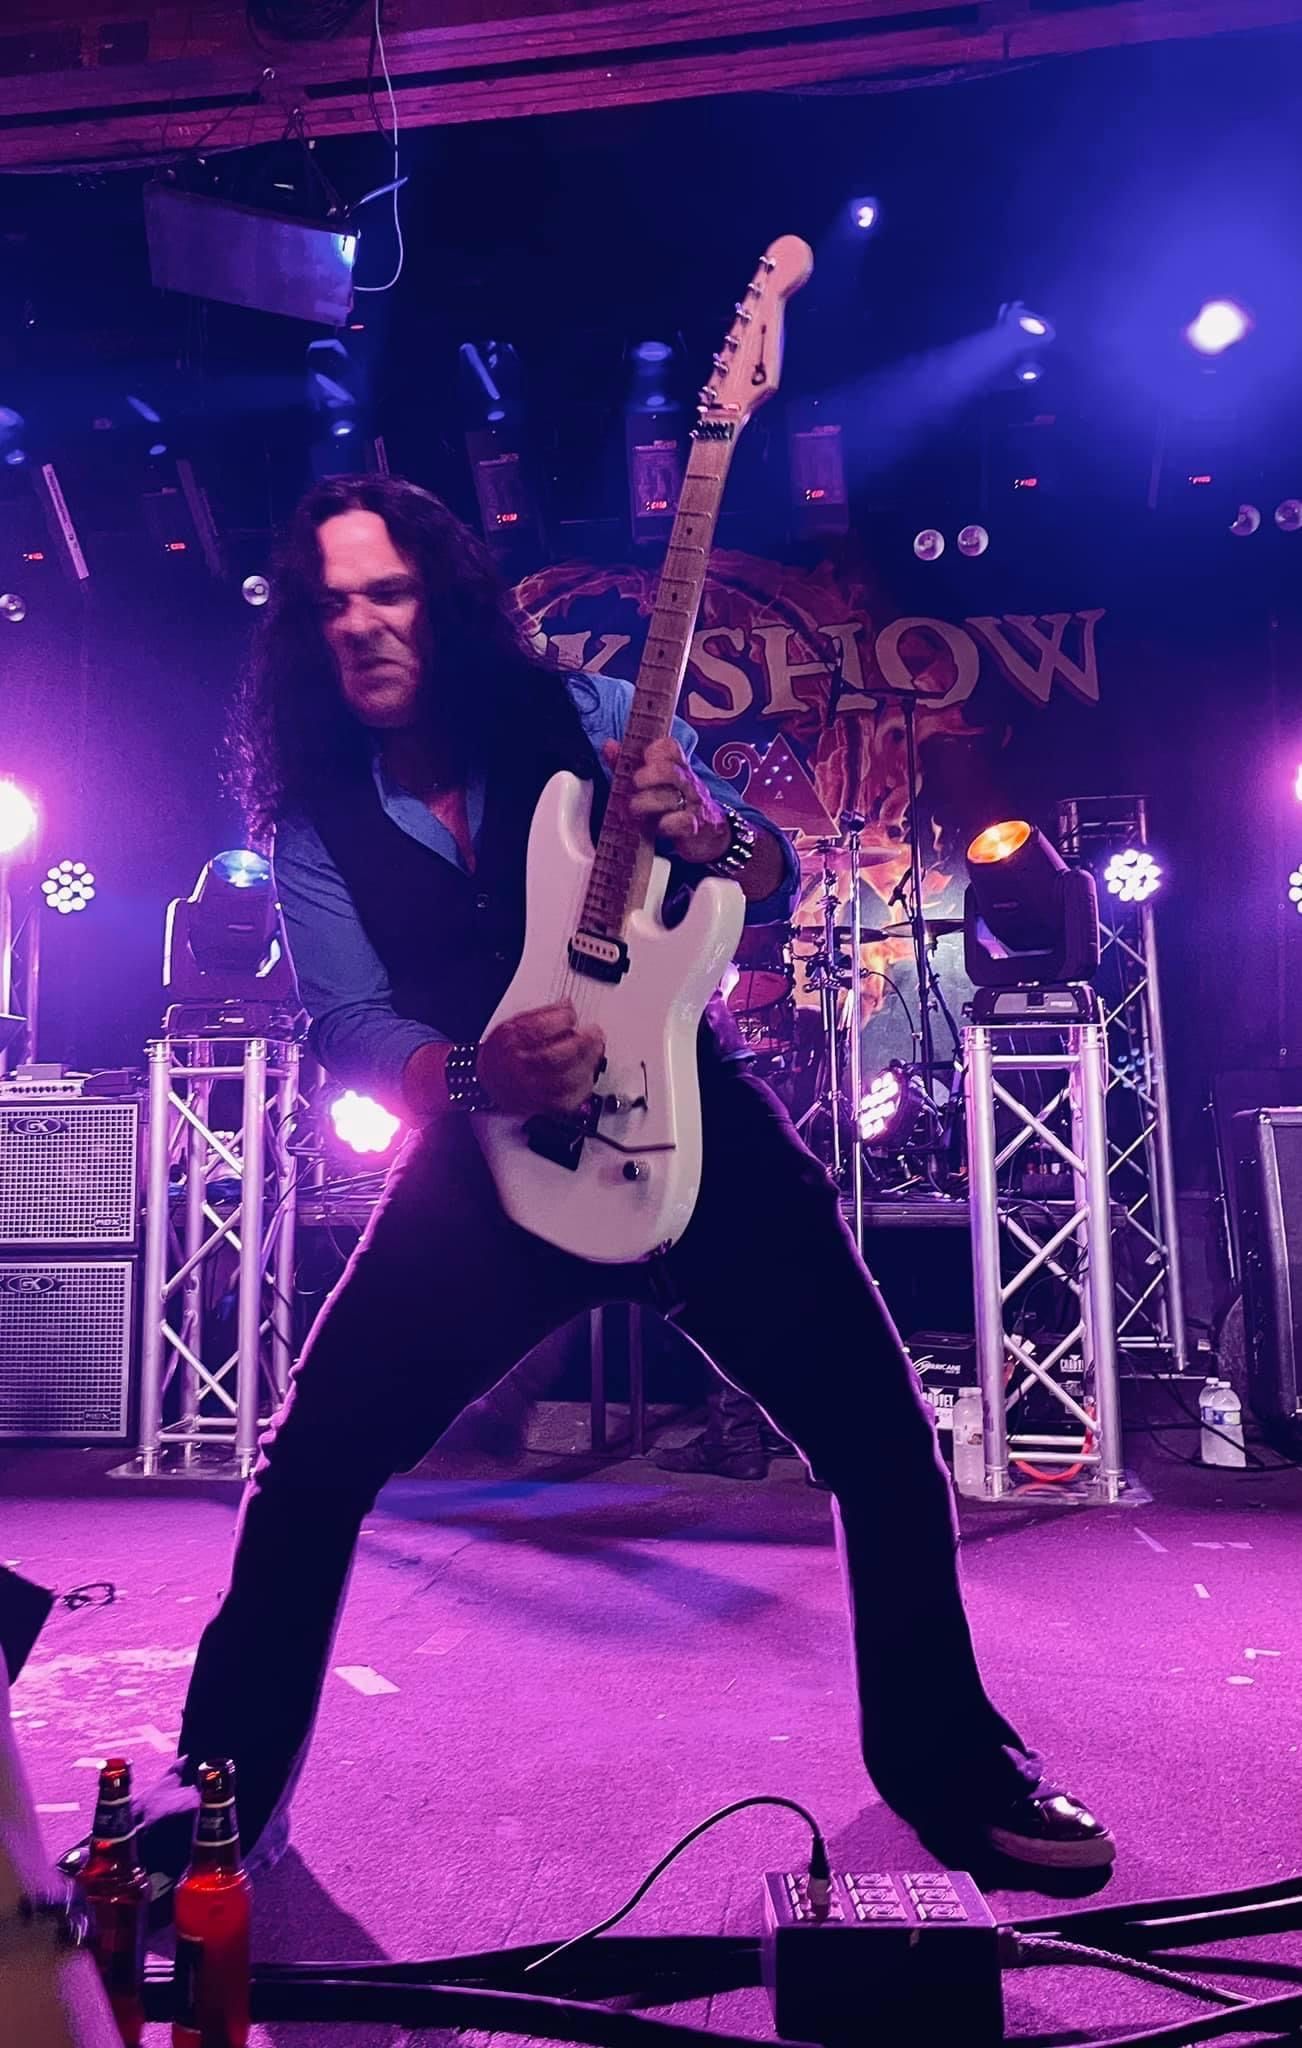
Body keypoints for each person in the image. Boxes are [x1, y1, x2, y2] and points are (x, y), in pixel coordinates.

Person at [65, 474, 1113, 1902]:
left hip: (699, 1133)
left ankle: (944, 1763)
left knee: (879, 1446)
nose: (362, 626)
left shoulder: (600, 723)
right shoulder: (317, 821)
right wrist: (468, 1075)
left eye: (389, 593)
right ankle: (222, 1791)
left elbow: (774, 871)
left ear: (441, 598)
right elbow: (346, 1025)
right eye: (330, 606)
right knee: (309, 1471)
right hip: (486, 1160)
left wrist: (708, 832)